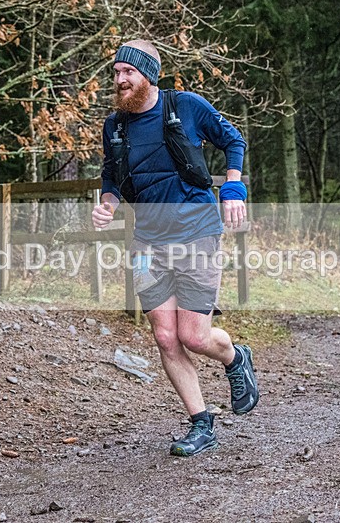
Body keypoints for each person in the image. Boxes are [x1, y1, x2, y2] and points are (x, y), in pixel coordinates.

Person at [91, 40, 259, 456]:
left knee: (194, 335)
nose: (119, 80)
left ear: (148, 73)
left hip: (197, 233)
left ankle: (235, 358)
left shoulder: (185, 105)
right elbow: (111, 176)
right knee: (166, 337)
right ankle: (201, 424)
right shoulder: (115, 126)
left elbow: (233, 140)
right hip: (148, 242)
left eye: (127, 72)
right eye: (115, 72)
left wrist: (233, 187)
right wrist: (107, 205)